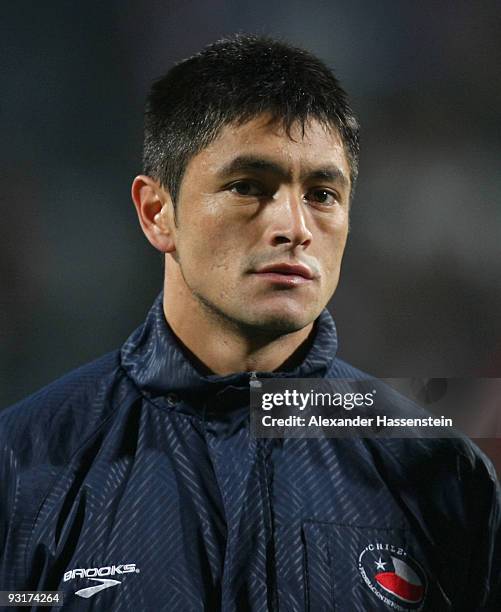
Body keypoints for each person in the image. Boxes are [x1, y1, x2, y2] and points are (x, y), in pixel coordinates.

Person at [0, 34, 499, 611]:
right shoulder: (23, 467)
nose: (294, 226)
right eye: (248, 187)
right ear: (157, 213)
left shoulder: (438, 472)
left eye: (322, 193)